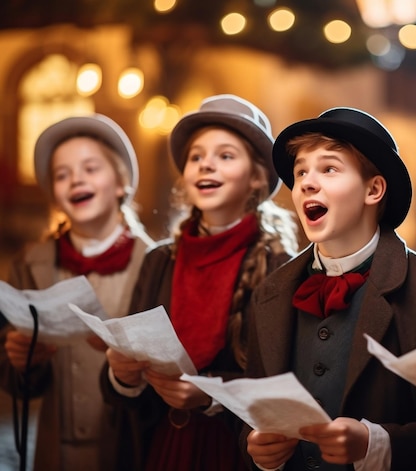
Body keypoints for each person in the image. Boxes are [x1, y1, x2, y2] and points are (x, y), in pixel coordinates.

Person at [242, 106, 416, 471]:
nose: (307, 182)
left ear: (373, 189)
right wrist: (259, 451)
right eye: (301, 172)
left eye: (328, 168)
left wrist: (379, 445)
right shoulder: (270, 292)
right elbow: (249, 411)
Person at [101, 94, 299, 471]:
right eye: (196, 156)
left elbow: (278, 383)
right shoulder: (159, 260)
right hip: (161, 444)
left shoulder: (279, 268)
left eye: (225, 155)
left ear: (256, 177)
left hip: (233, 451)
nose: (206, 163)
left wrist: (211, 395)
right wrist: (121, 375)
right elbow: (125, 390)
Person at [0, 114, 154, 471]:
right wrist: (21, 362)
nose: (76, 180)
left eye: (90, 168)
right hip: (57, 450)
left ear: (121, 183)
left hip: (131, 449)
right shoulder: (31, 263)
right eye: (62, 174)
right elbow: (13, 380)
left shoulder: (155, 261)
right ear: (55, 194)